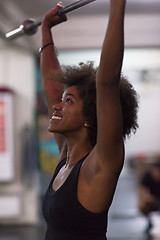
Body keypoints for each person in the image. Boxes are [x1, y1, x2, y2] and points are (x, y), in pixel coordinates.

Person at [40, 0, 139, 239]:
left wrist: (117, 6)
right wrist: (46, 30)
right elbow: (52, 85)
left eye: (69, 101)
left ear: (91, 117)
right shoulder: (66, 158)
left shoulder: (100, 164)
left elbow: (106, 84)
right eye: (62, 99)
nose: (57, 105)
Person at [138, 161, 160, 233]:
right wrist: (145, 198)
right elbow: (141, 189)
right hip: (153, 200)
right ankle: (150, 222)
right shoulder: (148, 175)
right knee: (142, 205)